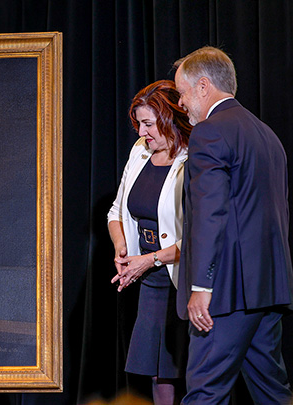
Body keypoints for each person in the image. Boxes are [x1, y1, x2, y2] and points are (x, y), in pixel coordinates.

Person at [174, 46, 293, 403]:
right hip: (267, 290)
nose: (181, 103)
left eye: (181, 93)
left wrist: (202, 286)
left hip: (227, 294)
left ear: (203, 86)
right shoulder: (267, 136)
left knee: (204, 395)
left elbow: (212, 214)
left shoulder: (210, 132)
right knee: (273, 395)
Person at [107, 80, 192, 404]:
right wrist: (122, 248)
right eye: (139, 124)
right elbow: (117, 210)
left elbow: (200, 235)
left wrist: (152, 258)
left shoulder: (193, 156)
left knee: (189, 367)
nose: (142, 132)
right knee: (160, 370)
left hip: (182, 274)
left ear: (169, 118)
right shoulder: (140, 151)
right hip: (151, 278)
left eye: (147, 124)